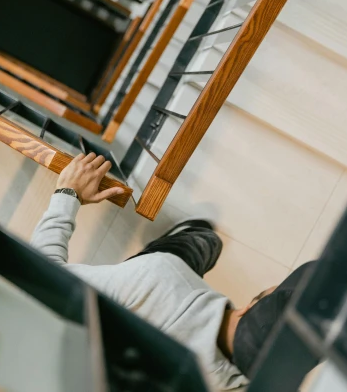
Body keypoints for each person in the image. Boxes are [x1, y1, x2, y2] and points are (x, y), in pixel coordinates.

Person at [31, 153, 316, 390]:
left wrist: (67, 192)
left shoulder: (154, 277)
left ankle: (196, 235)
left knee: (201, 242)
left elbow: (41, 267)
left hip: (153, 282)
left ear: (246, 308)